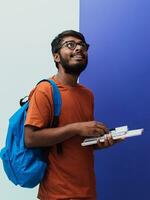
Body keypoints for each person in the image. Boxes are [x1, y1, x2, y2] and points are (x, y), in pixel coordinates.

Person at [25, 30, 120, 200]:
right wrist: (76, 128)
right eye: (71, 45)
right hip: (57, 194)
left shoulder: (87, 94)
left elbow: (79, 142)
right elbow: (30, 138)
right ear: (56, 57)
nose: (79, 49)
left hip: (87, 192)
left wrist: (100, 142)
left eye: (82, 46)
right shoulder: (45, 90)